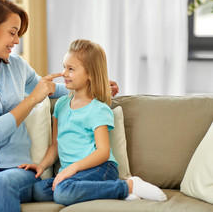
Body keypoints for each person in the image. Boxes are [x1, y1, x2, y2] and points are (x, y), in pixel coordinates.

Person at [0, 0, 119, 212]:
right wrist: (33, 98)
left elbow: (52, 90)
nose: (16, 41)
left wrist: (94, 86)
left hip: (14, 168)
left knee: (0, 184)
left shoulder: (16, 65)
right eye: (12, 33)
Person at [19, 39, 167, 206]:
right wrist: (41, 165)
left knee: (63, 193)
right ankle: (110, 192)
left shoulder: (98, 109)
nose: (64, 73)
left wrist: (72, 168)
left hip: (100, 169)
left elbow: (103, 152)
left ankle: (128, 186)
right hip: (72, 176)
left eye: (71, 69)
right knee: (36, 191)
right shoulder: (60, 105)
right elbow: (55, 145)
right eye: (64, 67)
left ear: (89, 73)